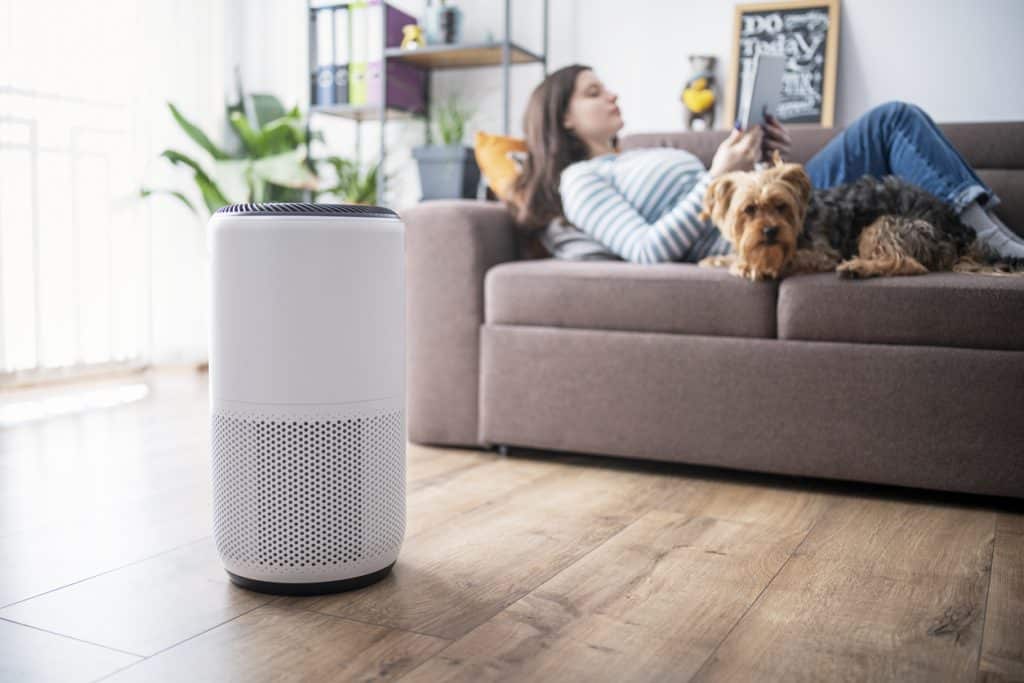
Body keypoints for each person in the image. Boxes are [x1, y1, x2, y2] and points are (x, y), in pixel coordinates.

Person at [508, 64, 1024, 264]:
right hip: (737, 234)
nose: (612, 93)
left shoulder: (635, 153)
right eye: (594, 92)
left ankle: (987, 234)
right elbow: (645, 251)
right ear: (565, 118)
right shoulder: (582, 180)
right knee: (891, 118)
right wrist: (715, 176)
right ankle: (995, 246)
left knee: (893, 119)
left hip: (777, 202)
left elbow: (745, 194)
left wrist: (757, 156)